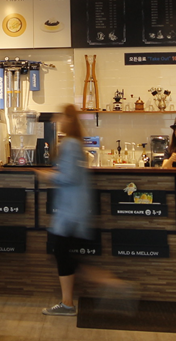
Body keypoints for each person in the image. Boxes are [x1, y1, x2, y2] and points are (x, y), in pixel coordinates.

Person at [43, 104, 137, 317]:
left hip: (70, 213)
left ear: (69, 119)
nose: (57, 119)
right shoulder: (75, 143)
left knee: (63, 255)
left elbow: (69, 177)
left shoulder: (69, 144)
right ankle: (74, 300)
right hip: (76, 211)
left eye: (61, 116)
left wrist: (47, 175)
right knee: (67, 257)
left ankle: (113, 286)